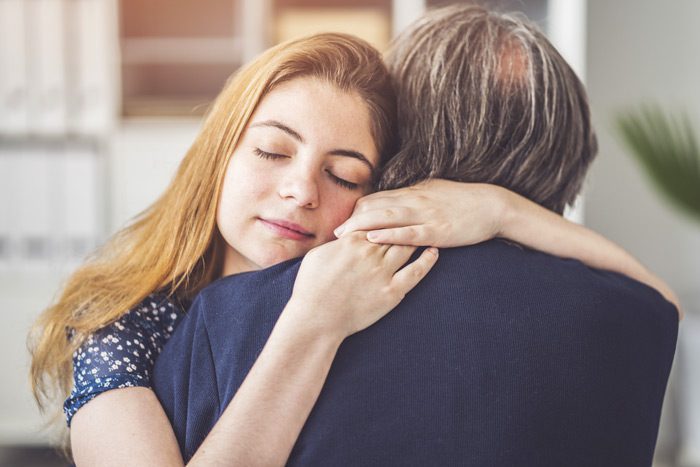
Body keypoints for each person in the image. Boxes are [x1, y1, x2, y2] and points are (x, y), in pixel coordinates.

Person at [29, 25, 675, 467]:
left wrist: (499, 208)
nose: (300, 190)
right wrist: (312, 324)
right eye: (273, 150)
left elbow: (659, 302)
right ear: (219, 152)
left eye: (345, 174)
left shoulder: (373, 276)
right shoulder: (123, 325)